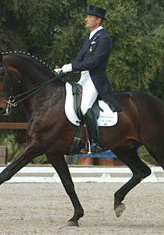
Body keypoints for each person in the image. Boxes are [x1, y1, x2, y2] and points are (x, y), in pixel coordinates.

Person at [55, 5, 121, 154]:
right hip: (84, 77)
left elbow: (94, 62)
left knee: (84, 107)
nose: (86, 19)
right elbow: (79, 59)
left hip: (94, 79)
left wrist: (70, 68)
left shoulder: (104, 38)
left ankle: (95, 143)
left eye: (89, 17)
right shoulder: (90, 38)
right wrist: (64, 69)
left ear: (97, 20)